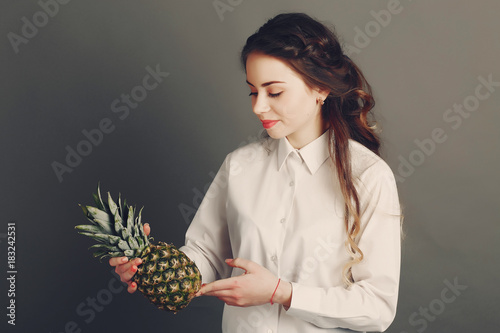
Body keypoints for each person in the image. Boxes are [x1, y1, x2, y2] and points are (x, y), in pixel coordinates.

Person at [110, 12, 403, 333]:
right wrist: (151, 267)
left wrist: (282, 292)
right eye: (253, 91)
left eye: (274, 92)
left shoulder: (369, 177)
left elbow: (377, 308)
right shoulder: (239, 166)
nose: (258, 107)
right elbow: (206, 254)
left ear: (320, 89)